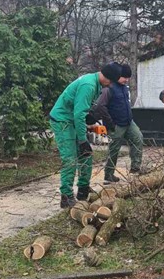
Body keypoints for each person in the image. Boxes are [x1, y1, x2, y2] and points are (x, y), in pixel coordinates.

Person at [49, 63, 120, 208]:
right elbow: (78, 114)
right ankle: (66, 195)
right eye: (111, 82)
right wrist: (82, 140)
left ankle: (83, 188)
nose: (110, 85)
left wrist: (90, 124)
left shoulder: (96, 83)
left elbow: (82, 111)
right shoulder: (89, 85)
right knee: (70, 158)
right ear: (108, 79)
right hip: (63, 120)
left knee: (86, 154)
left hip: (73, 119)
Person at [98, 63, 144, 183]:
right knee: (114, 149)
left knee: (138, 138)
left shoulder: (124, 88)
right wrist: (110, 123)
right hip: (116, 125)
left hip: (129, 122)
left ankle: (135, 168)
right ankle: (108, 175)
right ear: (118, 75)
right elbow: (100, 106)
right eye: (124, 77)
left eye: (128, 78)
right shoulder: (109, 88)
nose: (126, 80)